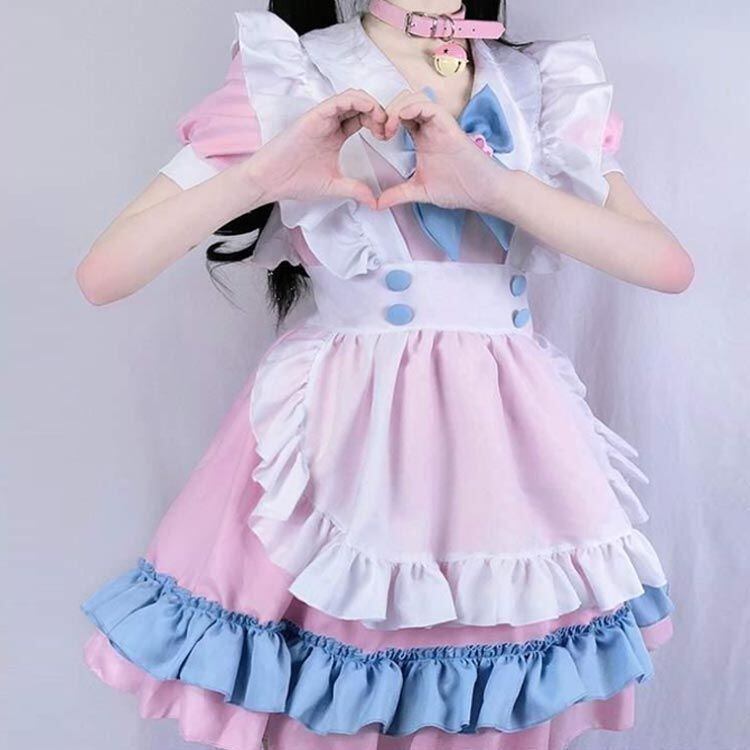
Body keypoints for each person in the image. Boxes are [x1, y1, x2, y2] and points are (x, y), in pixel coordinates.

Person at [78, 2, 693, 749]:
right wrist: (262, 176)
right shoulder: (296, 73)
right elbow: (104, 273)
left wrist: (495, 188)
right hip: (349, 433)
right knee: (336, 695)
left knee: (489, 699)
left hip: (508, 442)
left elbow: (667, 265)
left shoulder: (542, 84)